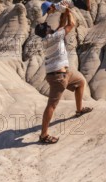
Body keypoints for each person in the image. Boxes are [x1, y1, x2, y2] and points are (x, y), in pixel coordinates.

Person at [35, 7, 92, 144]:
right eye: (48, 26)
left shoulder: (48, 38)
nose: (50, 26)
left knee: (80, 82)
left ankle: (79, 110)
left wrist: (64, 13)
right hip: (58, 77)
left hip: (63, 73)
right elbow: (70, 25)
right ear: (47, 31)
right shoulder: (55, 37)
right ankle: (43, 135)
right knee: (51, 105)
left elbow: (61, 25)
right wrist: (70, 12)